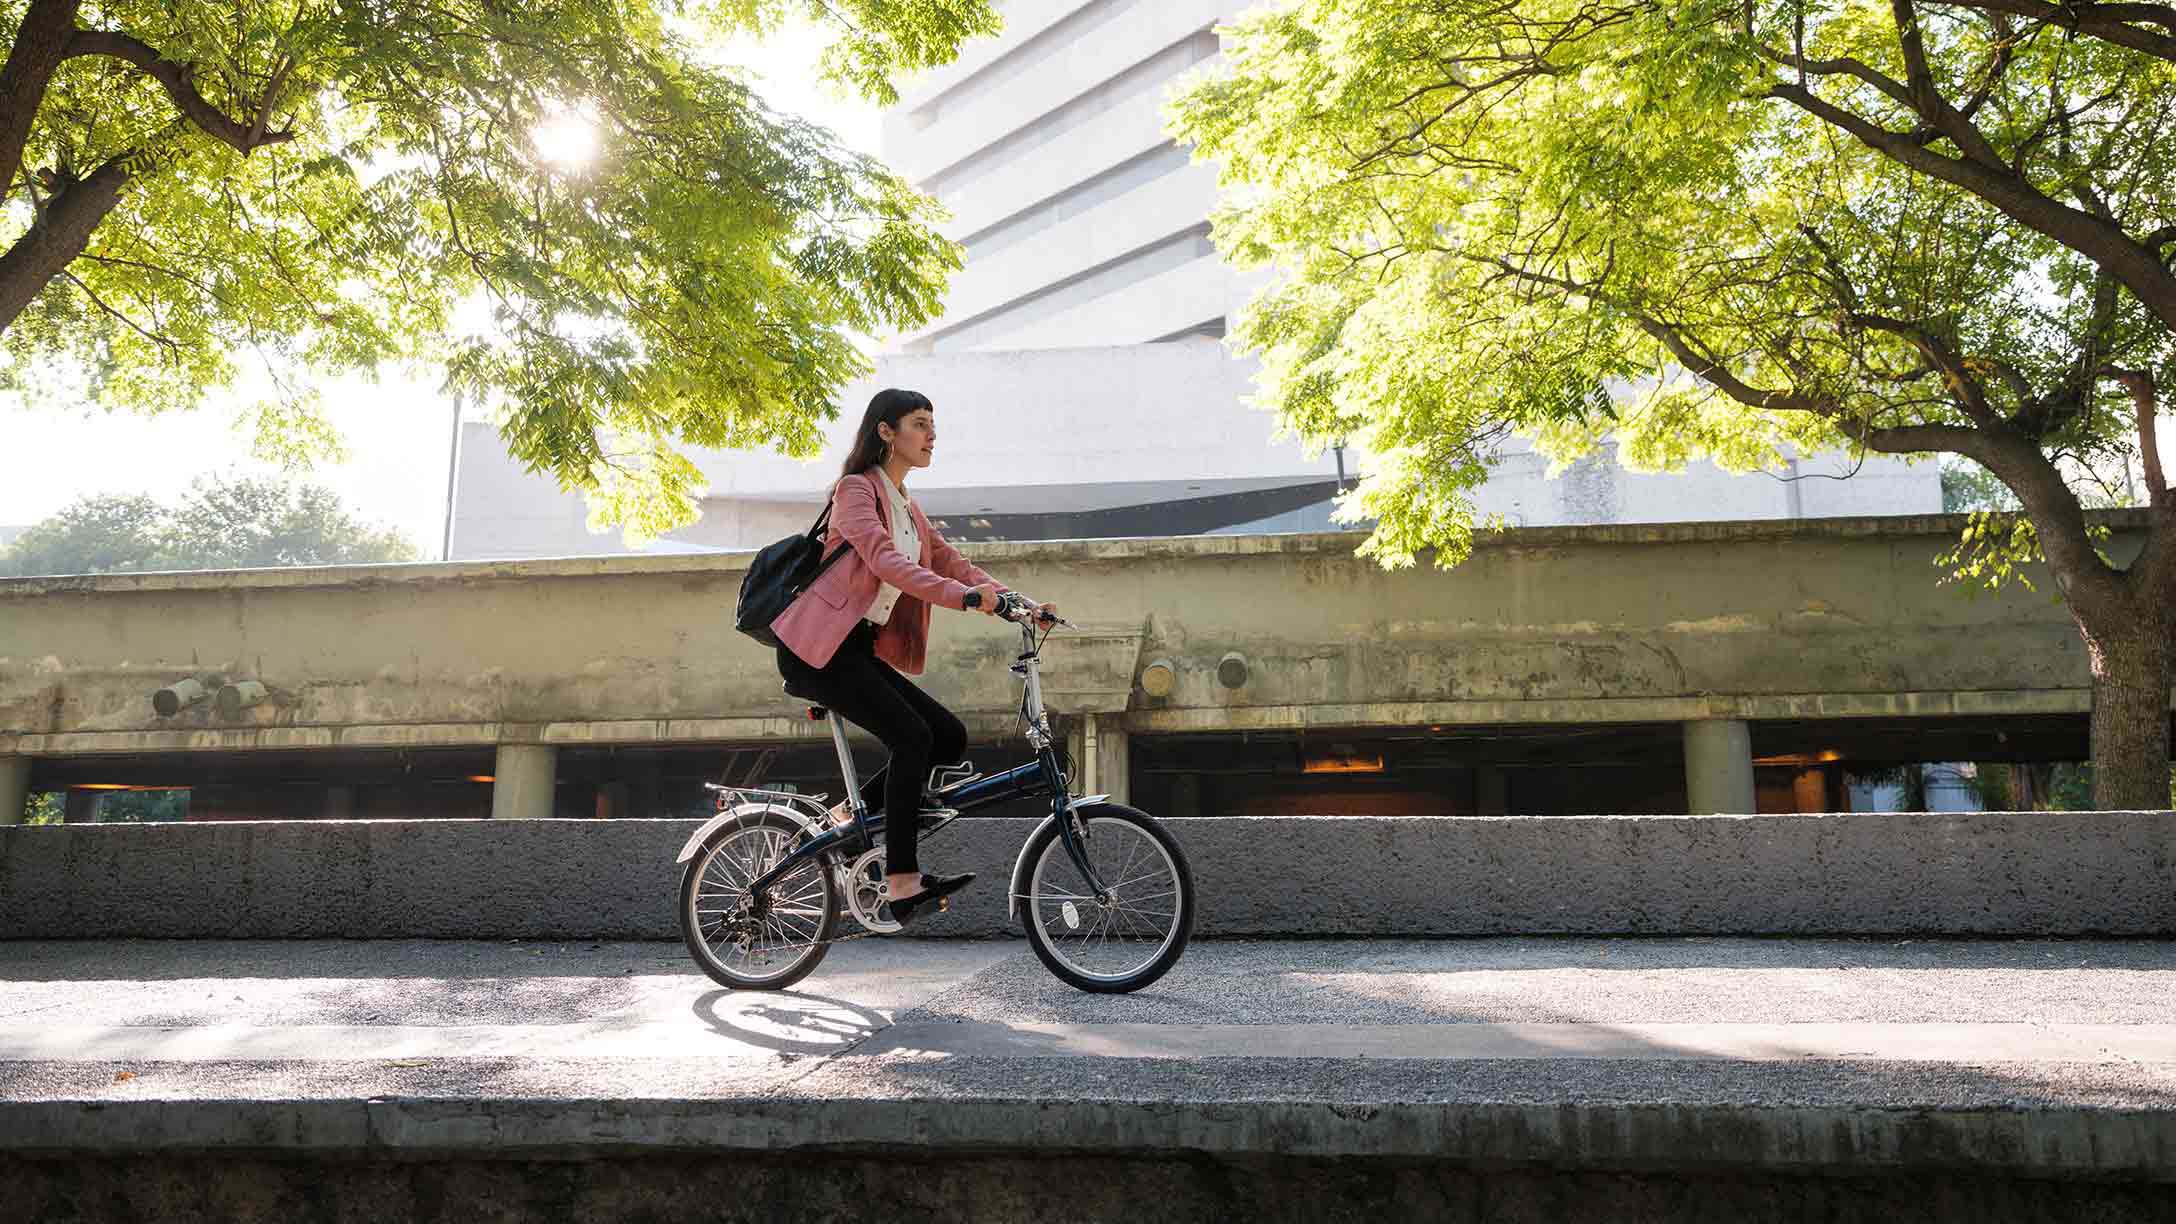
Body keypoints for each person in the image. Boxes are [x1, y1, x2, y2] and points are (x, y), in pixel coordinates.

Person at [770, 388, 1055, 926]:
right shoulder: (856, 492)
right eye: (920, 424)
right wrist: (963, 600)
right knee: (912, 738)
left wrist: (1021, 604)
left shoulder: (908, 507)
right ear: (886, 431)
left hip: (853, 650)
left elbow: (954, 563)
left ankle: (843, 820)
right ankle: (901, 880)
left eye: (933, 425)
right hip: (817, 650)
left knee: (946, 737)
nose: (931, 435)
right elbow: (882, 560)